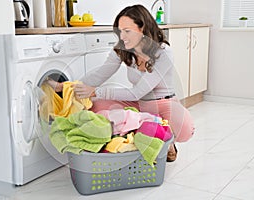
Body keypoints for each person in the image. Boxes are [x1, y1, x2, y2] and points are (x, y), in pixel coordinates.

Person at [47, 4, 194, 162]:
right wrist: (67, 86)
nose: (122, 36)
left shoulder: (163, 52)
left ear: (142, 28)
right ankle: (142, 133)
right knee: (93, 107)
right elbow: (100, 74)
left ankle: (163, 137)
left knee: (185, 128)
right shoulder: (123, 48)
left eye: (127, 31)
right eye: (120, 31)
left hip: (164, 104)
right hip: (137, 103)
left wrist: (96, 91)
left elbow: (138, 91)